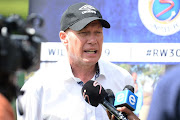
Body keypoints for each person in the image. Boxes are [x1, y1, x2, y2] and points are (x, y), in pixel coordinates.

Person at [17, 2, 139, 120]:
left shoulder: (122, 79)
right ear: (64, 38)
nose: (92, 40)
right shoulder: (37, 87)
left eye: (98, 32)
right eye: (84, 33)